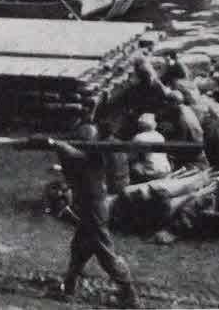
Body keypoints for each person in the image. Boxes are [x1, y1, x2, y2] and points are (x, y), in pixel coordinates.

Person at [38, 125, 140, 308]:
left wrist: (57, 144)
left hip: (94, 209)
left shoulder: (94, 155)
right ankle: (69, 288)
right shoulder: (89, 155)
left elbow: (76, 157)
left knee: (106, 254)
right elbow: (74, 163)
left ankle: (129, 295)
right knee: (78, 248)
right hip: (89, 208)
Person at [129, 113, 171, 183]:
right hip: (165, 169)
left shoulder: (138, 137)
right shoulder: (160, 136)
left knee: (133, 165)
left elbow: (132, 156)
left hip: (151, 171)